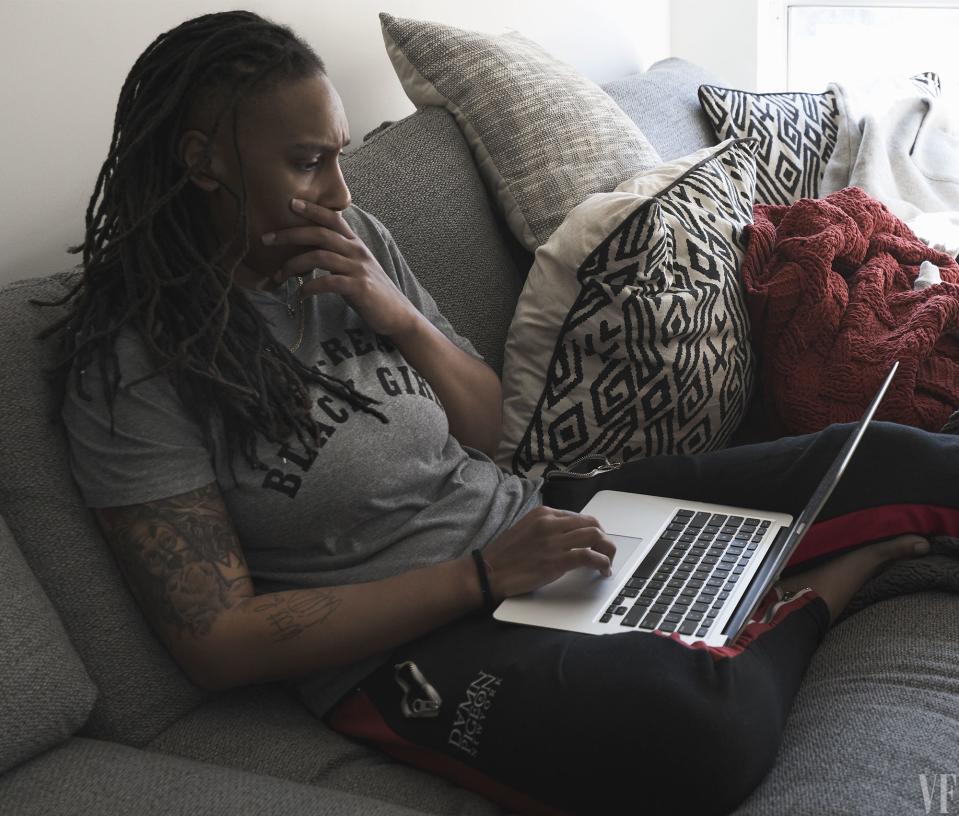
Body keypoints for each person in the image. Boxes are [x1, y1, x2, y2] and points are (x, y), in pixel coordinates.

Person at [44, 11, 959, 816]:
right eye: (306, 163)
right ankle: (815, 594)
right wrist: (481, 577)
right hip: (404, 644)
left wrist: (393, 314)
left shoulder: (353, 243)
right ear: (202, 159)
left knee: (892, 458)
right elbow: (217, 642)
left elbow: (488, 428)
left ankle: (757, 588)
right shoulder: (133, 366)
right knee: (694, 734)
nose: (340, 194)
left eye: (339, 156)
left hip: (530, 519)